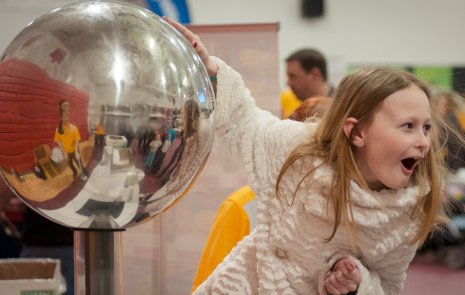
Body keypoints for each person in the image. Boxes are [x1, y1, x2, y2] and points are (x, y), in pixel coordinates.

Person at [166, 17, 452, 295]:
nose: (423, 142)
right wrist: (209, 69)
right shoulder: (301, 152)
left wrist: (356, 281)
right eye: (408, 127)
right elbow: (245, 122)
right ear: (356, 133)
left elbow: (388, 285)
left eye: (426, 127)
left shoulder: (406, 210)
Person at [281, 48, 334, 119]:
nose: (288, 82)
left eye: (293, 76)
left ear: (315, 74)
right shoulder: (300, 108)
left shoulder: (341, 107)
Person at [54, 110, 87, 181]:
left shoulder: (73, 128)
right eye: (63, 117)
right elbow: (59, 141)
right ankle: (75, 172)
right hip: (66, 152)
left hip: (74, 150)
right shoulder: (58, 130)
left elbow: (77, 140)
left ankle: (85, 173)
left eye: (67, 116)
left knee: (79, 164)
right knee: (70, 165)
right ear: (61, 118)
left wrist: (76, 152)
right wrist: (64, 152)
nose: (66, 118)